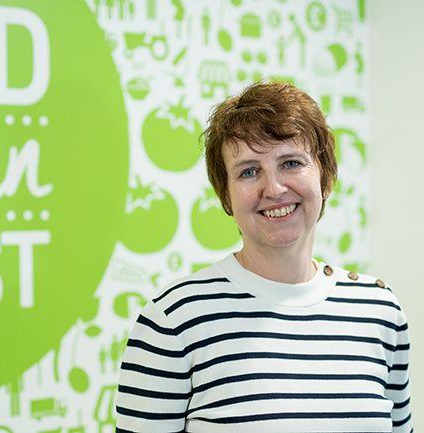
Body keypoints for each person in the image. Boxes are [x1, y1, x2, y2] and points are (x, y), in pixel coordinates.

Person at [115, 82, 413, 432]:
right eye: (249, 171)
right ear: (226, 195)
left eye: (290, 162)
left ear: (326, 176)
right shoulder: (175, 319)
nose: (273, 189)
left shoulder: (380, 311)